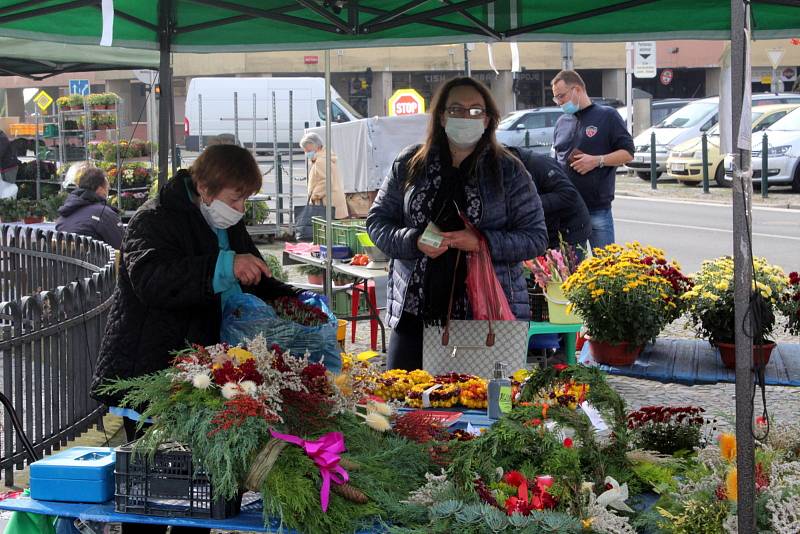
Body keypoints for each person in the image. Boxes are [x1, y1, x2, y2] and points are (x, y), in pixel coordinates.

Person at [91, 144, 301, 534]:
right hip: (150, 368)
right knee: (151, 487)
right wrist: (223, 265)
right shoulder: (152, 220)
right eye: (236, 197)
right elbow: (153, 280)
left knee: (199, 487)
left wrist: (291, 298)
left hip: (202, 371)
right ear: (204, 188)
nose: (240, 208)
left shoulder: (224, 221)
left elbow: (250, 271)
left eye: (246, 199)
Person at [367, 77, 548, 371]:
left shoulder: (509, 170)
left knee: (478, 403)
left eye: (476, 111)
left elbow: (536, 237)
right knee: (405, 402)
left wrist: (481, 243)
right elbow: (377, 222)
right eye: (457, 110)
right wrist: (413, 240)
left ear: (488, 119)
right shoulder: (409, 163)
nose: (467, 117)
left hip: (484, 316)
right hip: (414, 310)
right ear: (441, 116)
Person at [551, 70, 634, 250]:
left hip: (597, 208)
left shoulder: (607, 116)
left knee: (605, 268)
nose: (559, 102)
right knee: (572, 272)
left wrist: (598, 160)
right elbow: (556, 160)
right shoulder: (562, 122)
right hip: (568, 210)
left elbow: (628, 153)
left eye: (561, 96)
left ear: (577, 90)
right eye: (555, 98)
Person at [506, 146, 591, 252]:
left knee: (566, 267)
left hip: (569, 231)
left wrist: (529, 203)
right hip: (544, 233)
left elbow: (569, 194)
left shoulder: (538, 163)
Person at [55, 166, 123, 249]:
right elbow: (122, 245)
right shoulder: (103, 213)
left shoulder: (66, 212)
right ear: (100, 189)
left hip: (66, 260)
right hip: (96, 261)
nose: (107, 193)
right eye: (107, 188)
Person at [300, 132, 349, 219]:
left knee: (327, 231)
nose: (306, 153)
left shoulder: (320, 161)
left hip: (327, 204)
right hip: (334, 204)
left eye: (307, 150)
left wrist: (314, 195)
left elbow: (327, 181)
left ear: (314, 146)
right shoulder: (326, 157)